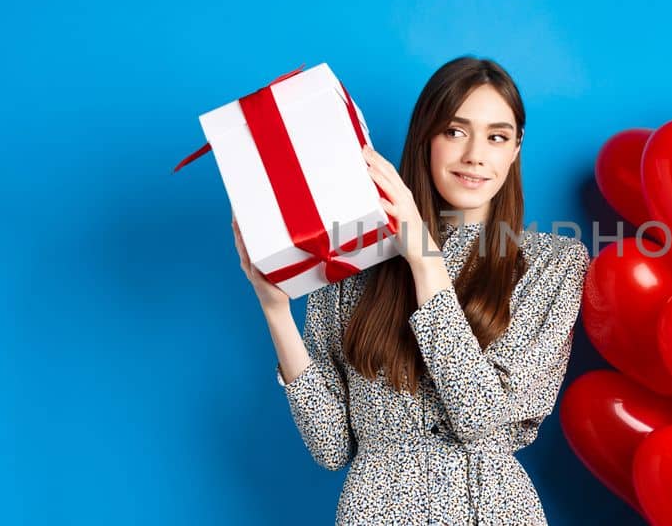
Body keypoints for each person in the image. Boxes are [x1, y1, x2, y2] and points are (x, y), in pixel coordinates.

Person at [230, 56, 590, 525]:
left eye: (497, 136)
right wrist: (275, 309)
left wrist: (423, 258)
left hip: (493, 509)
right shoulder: (354, 262)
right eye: (455, 132)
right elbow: (331, 446)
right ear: (425, 138)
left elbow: (479, 416)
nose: (475, 155)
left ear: (516, 148)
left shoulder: (554, 264)